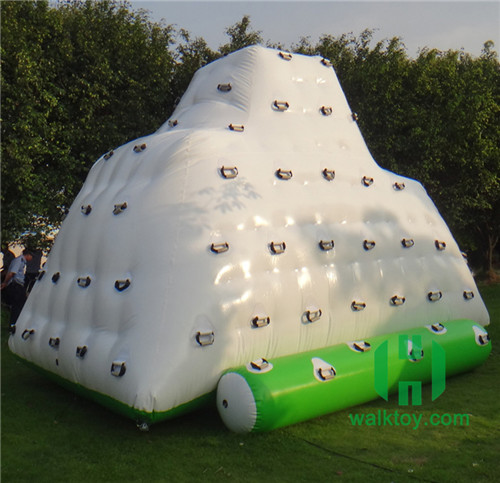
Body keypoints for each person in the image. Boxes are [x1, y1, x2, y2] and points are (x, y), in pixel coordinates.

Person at [0, 249, 33, 331]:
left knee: (19, 306)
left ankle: (15, 325)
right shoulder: (19, 261)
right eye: (31, 256)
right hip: (16, 285)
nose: (31, 258)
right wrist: (5, 283)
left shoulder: (21, 261)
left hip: (17, 285)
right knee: (18, 306)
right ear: (28, 255)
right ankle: (14, 325)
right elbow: (11, 273)